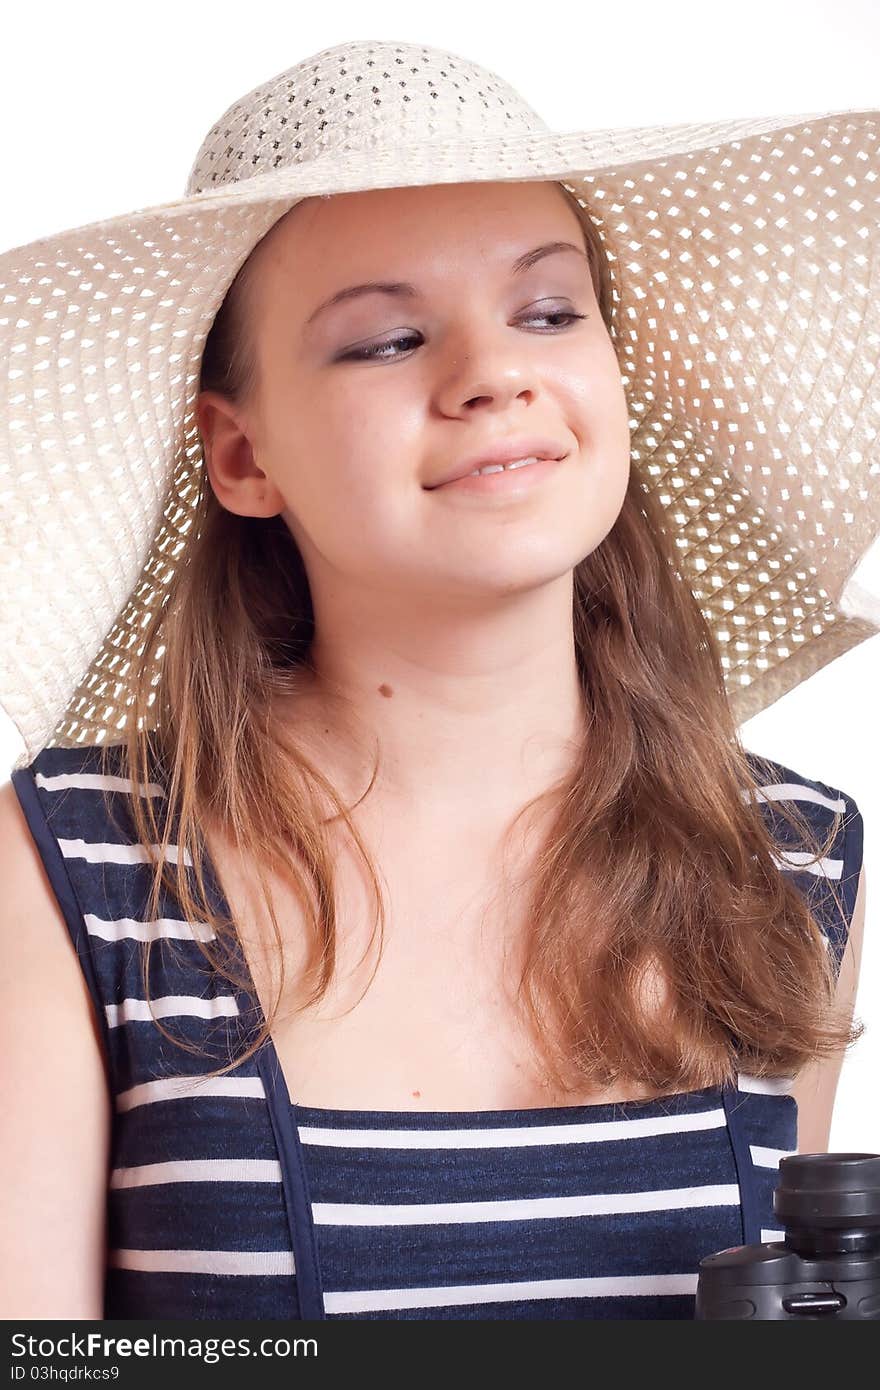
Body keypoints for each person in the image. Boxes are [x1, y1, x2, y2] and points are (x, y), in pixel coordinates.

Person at [0, 38, 873, 1321]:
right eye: (388, 338)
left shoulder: (788, 861)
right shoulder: (74, 867)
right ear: (241, 455)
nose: (492, 374)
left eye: (548, 311)